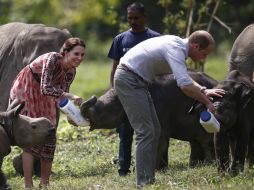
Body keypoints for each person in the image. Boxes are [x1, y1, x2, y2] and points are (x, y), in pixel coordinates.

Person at [114, 30, 226, 186]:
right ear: (195, 46)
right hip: (129, 79)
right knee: (145, 131)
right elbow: (184, 86)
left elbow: (184, 78)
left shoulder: (177, 45)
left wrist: (204, 90)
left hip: (138, 81)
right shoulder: (176, 49)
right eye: (204, 54)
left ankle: (148, 178)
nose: (204, 58)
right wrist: (207, 102)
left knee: (155, 129)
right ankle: (144, 182)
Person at [9, 37, 85, 189]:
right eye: (76, 54)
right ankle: (28, 185)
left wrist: (72, 116)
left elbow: (62, 101)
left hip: (46, 97)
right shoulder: (52, 59)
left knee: (49, 135)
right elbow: (46, 87)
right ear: (65, 52)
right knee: (31, 136)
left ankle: (45, 184)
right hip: (27, 89)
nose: (79, 58)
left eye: (82, 55)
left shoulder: (71, 72)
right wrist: (71, 96)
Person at [107, 2, 160, 176]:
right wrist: (113, 90)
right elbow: (115, 67)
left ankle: (144, 167)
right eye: (130, 18)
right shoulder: (120, 39)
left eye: (136, 18)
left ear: (144, 17)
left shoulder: (154, 38)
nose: (133, 21)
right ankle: (123, 168)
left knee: (146, 131)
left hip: (148, 91)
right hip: (125, 91)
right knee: (125, 132)